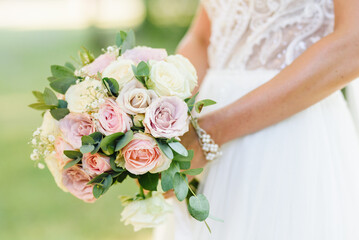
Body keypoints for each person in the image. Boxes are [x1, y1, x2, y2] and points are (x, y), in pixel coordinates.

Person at [154, 0, 359, 239]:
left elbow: (353, 44)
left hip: (290, 133)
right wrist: (165, 120)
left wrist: (210, 133)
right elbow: (203, 37)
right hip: (204, 130)